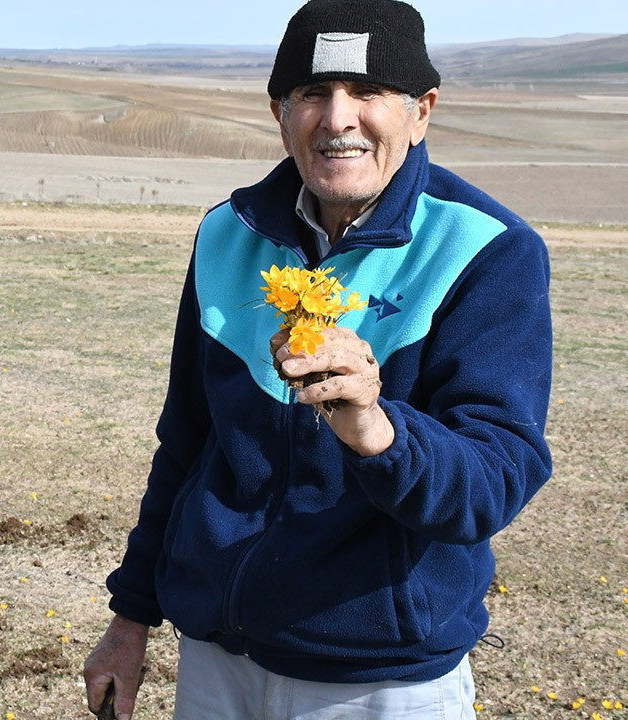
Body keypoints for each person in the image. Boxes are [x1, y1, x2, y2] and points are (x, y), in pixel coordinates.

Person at [82, 0, 552, 717]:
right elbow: (185, 446)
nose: (338, 120)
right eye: (313, 94)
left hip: (377, 678)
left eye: (369, 94)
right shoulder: (226, 234)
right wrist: (131, 619)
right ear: (279, 112)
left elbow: (495, 480)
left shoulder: (486, 251)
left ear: (420, 112)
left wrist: (375, 427)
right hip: (217, 661)